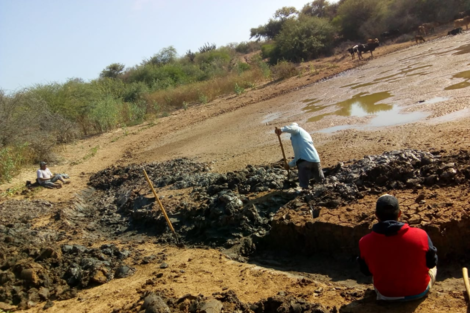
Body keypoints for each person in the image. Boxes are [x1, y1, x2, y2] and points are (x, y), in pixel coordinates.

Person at [358, 194, 438, 301]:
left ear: (376, 215)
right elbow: (432, 262)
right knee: (432, 266)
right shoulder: (421, 235)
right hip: (418, 292)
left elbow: (366, 271)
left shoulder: (364, 241)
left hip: (385, 295)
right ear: (399, 213)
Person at [275, 122, 324, 189]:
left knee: (304, 186)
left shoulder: (297, 130)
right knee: (322, 182)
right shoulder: (305, 135)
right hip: (315, 160)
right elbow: (298, 158)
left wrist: (281, 129)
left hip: (304, 162)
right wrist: (289, 165)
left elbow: (294, 128)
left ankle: (304, 191)